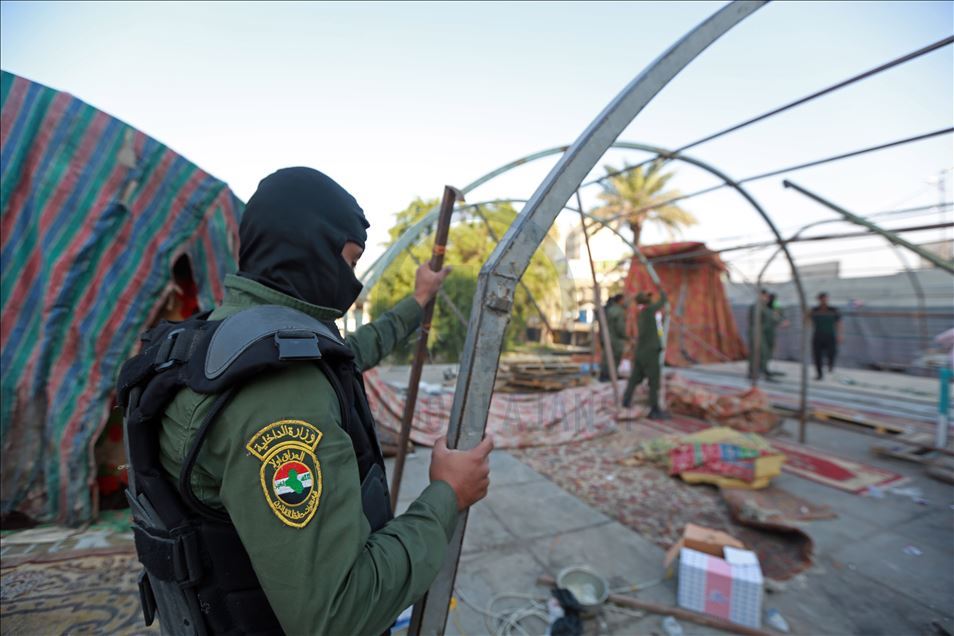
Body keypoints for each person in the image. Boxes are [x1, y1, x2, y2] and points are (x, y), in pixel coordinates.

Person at [123, 167, 493, 635]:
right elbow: (338, 614)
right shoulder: (281, 395)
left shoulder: (218, 341)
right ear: (315, 247)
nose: (352, 280)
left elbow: (349, 356)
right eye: (351, 260)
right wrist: (446, 495)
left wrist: (416, 303)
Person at [622, 288, 668, 419]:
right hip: (650, 353)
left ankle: (626, 400)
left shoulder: (642, 313)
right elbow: (662, 302)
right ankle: (654, 409)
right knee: (654, 381)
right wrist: (661, 289)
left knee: (635, 378)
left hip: (641, 352)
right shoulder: (649, 311)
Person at [810, 292, 842, 380]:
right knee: (817, 355)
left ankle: (830, 365)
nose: (824, 301)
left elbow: (838, 323)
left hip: (830, 335)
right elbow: (808, 321)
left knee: (832, 353)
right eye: (822, 299)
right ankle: (819, 374)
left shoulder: (833, 310)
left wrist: (840, 335)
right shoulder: (815, 310)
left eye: (825, 299)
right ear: (819, 300)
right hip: (818, 335)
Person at [598, 294, 627, 382]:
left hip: (606, 337)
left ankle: (605, 375)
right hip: (615, 339)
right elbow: (620, 328)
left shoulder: (609, 310)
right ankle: (611, 375)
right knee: (615, 358)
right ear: (620, 301)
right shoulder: (619, 311)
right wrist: (626, 336)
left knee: (606, 357)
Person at [748, 289, 774, 381]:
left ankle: (761, 370)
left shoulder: (766, 307)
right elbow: (757, 321)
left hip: (763, 333)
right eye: (765, 296)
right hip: (757, 332)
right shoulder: (757, 307)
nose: (767, 298)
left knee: (764, 353)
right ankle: (753, 372)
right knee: (758, 352)